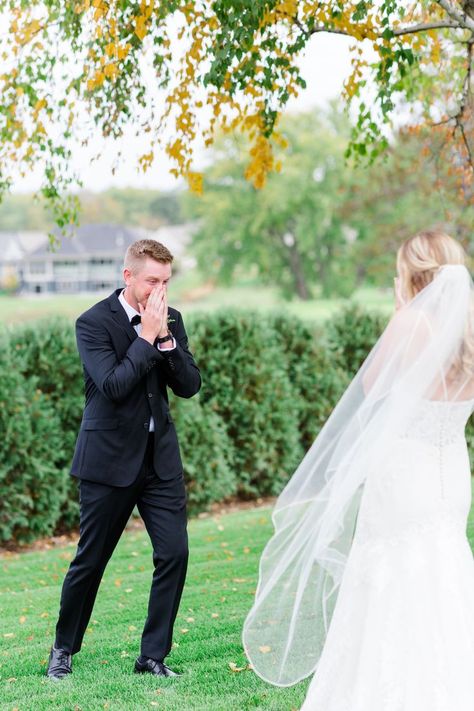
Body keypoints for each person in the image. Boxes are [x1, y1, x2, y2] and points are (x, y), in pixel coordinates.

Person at [243, 230, 474, 710]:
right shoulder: (468, 330)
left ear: (413, 274)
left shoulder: (412, 322)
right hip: (450, 471)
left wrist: (398, 310)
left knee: (390, 568)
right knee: (443, 567)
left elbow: (373, 384)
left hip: (405, 468)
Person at [47, 239, 201, 680]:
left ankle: (152, 656)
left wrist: (166, 338)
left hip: (159, 462)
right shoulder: (93, 323)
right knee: (91, 560)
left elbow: (189, 385)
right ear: (128, 276)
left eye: (166, 281)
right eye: (152, 280)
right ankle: (63, 648)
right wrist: (145, 336)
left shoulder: (171, 320)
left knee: (175, 553)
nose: (159, 290)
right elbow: (114, 386)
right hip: (107, 462)